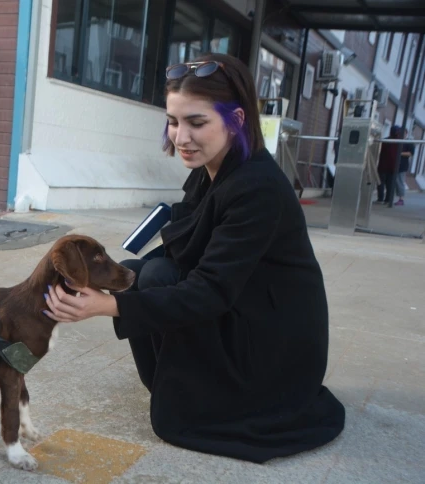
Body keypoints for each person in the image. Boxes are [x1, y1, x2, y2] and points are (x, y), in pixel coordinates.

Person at [43, 53, 346, 464]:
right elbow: (182, 247)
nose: (181, 136)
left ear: (236, 120)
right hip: (249, 308)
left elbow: (211, 291)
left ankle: (199, 405)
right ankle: (173, 388)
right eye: (173, 120)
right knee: (136, 274)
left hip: (275, 346)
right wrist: (105, 280)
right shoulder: (214, 168)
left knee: (147, 283)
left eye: (197, 122)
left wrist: (107, 306)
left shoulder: (258, 188)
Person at [377, 126, 403, 204]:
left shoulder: (385, 141)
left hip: (383, 166)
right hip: (392, 167)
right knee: (390, 184)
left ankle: (381, 198)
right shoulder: (399, 142)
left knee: (381, 183)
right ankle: (387, 199)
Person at [394, 129, 413, 206]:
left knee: (400, 182)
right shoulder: (396, 142)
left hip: (402, 166)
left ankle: (401, 199)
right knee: (395, 182)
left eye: (403, 133)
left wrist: (400, 153)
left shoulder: (409, 143)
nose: (401, 134)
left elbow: (410, 153)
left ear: (406, 134)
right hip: (394, 165)